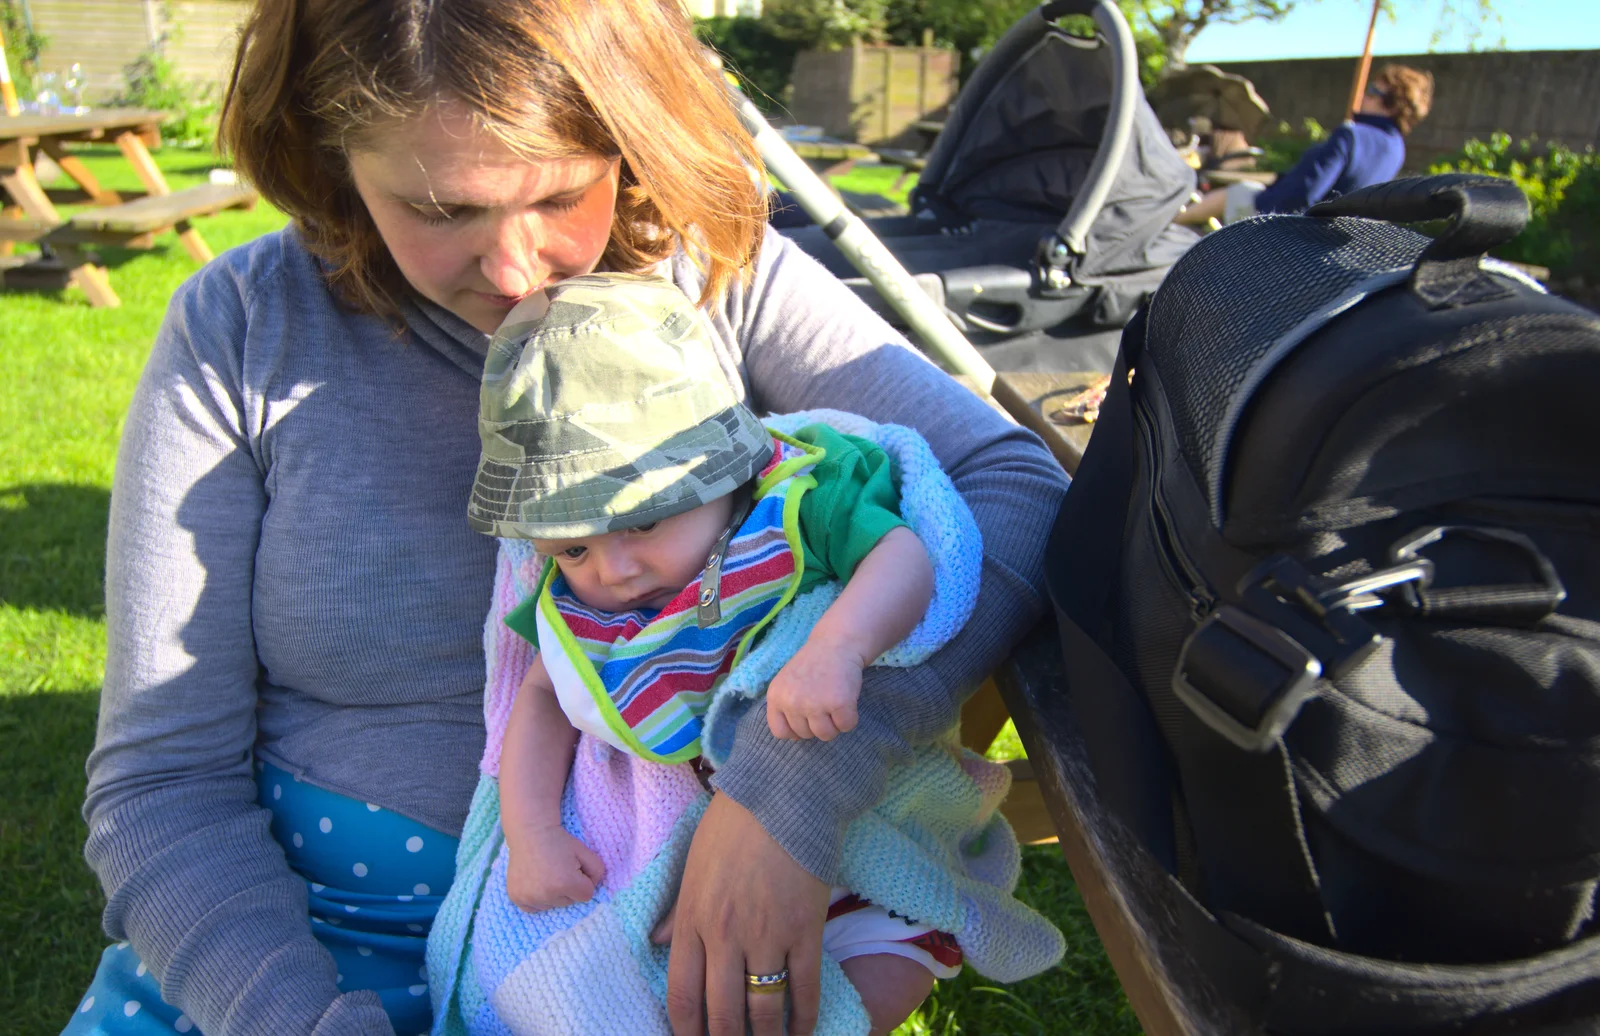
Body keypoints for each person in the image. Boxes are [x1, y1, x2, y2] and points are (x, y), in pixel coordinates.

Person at [65, 0, 1071, 1033]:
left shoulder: (712, 277)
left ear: (631, 140)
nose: (514, 270)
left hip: (645, 952)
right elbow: (161, 782)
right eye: (441, 209)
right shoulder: (242, 328)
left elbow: (1017, 492)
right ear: (332, 169)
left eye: (557, 192)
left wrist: (792, 795)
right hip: (295, 949)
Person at [441, 272, 1059, 1035]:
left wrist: (838, 643)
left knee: (892, 957)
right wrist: (534, 834)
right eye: (573, 547)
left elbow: (903, 555)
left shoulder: (796, 503)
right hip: (677, 880)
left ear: (723, 472)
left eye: (643, 522)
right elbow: (541, 696)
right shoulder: (579, 607)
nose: (614, 570)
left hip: (856, 841)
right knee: (611, 988)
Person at [1176, 63, 1435, 226]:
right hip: (1335, 234)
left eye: (1372, 92)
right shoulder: (1396, 148)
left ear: (1390, 104)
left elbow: (1304, 194)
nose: (1364, 96)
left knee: (1236, 192)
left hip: (1288, 226)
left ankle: (1173, 221)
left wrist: (1267, 209)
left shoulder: (1352, 136)